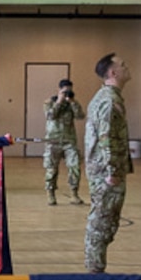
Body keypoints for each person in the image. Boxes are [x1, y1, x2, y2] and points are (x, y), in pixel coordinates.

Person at [84, 52, 132, 273]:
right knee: (102, 222)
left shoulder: (108, 97)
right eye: (122, 65)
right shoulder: (109, 100)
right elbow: (106, 137)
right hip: (106, 172)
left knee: (106, 222)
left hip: (104, 170)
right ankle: (94, 272)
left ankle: (96, 269)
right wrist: (112, 171)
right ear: (113, 72)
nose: (127, 67)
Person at [43, 77, 83, 205]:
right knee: (51, 169)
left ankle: (74, 194)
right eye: (65, 91)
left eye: (69, 91)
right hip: (53, 141)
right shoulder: (49, 102)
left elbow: (80, 116)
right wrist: (59, 102)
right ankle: (50, 194)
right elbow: (50, 116)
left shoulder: (72, 103)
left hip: (69, 141)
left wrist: (72, 102)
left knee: (75, 166)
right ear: (59, 90)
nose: (67, 93)